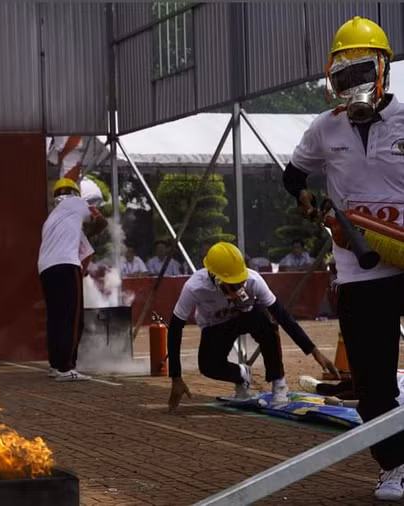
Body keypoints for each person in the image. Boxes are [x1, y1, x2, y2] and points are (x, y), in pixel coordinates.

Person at [283, 16, 404, 500]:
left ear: (383, 71)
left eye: (361, 72)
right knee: (372, 383)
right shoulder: (323, 129)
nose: (352, 86)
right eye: (344, 75)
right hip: (359, 269)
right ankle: (394, 466)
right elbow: (294, 177)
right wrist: (308, 202)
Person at [167, 242, 338, 409]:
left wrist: (313, 350)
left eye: (240, 281)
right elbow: (175, 328)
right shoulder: (194, 287)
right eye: (232, 284)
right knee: (208, 366)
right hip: (216, 325)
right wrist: (176, 377)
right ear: (215, 278)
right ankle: (241, 375)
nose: (240, 287)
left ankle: (278, 383)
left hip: (247, 316)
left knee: (265, 320)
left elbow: (282, 316)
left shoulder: (253, 280)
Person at [38, 178, 105, 382]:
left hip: (45, 268)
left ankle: (56, 365)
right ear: (76, 193)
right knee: (73, 319)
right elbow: (101, 221)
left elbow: (79, 243)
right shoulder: (77, 203)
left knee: (56, 319)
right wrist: (92, 232)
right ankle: (67, 367)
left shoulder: (50, 220)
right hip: (66, 265)